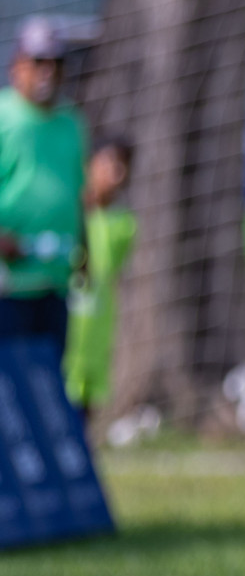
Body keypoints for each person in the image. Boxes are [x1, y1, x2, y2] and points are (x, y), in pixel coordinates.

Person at [0, 17, 87, 367]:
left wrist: (86, 250)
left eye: (57, 62)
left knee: (47, 379)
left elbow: (75, 194)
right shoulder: (4, 116)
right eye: (38, 61)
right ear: (17, 64)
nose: (48, 71)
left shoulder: (72, 123)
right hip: (9, 285)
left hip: (55, 282)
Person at [64, 136, 136, 424]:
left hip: (95, 332)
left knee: (83, 412)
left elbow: (110, 272)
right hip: (64, 327)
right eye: (108, 163)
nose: (115, 174)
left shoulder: (124, 224)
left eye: (122, 166)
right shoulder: (68, 213)